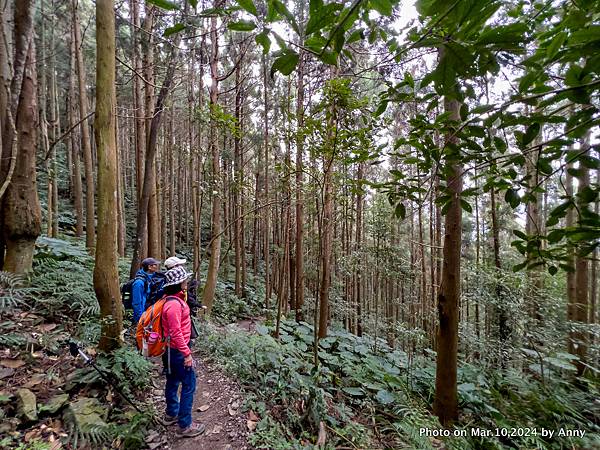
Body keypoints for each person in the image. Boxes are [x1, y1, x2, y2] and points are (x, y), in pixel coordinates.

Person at [160, 265, 205, 437]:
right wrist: (187, 354)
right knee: (189, 384)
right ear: (179, 283)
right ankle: (185, 425)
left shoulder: (172, 300)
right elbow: (175, 332)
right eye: (184, 279)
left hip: (172, 350)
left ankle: (171, 413)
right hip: (177, 351)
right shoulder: (173, 305)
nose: (187, 281)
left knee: (172, 381)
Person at [132, 257, 160, 324]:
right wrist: (140, 319)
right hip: (142, 315)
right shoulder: (139, 283)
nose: (157, 266)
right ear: (149, 267)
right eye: (155, 265)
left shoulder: (150, 277)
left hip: (148, 312)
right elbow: (136, 302)